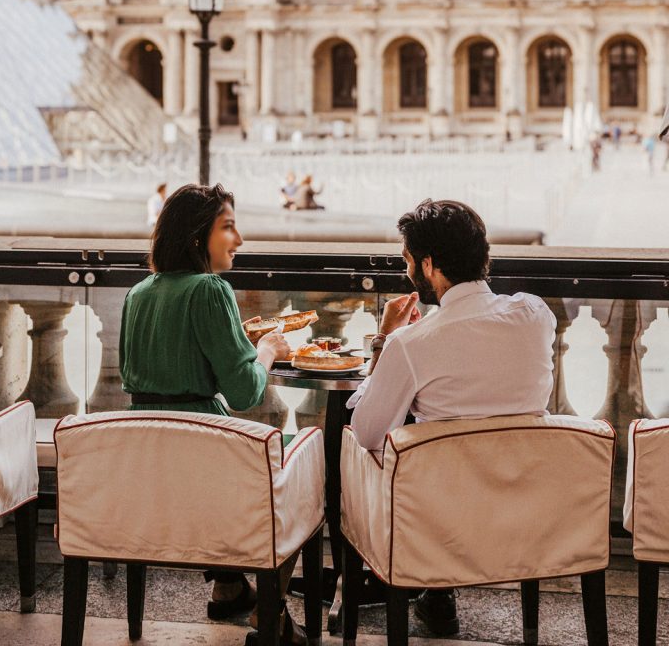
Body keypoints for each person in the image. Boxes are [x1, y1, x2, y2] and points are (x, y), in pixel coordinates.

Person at [348, 199, 556, 637]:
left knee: (373, 444)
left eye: (407, 261)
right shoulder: (536, 315)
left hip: (440, 519)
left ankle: (412, 582)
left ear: (428, 265)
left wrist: (385, 341)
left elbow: (367, 431)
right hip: (529, 508)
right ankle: (437, 596)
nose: (406, 272)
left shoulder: (412, 343)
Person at [119, 184, 304, 644]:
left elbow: (155, 368)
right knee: (294, 469)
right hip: (205, 456)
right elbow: (244, 391)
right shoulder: (210, 289)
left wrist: (234, 338)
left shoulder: (137, 294)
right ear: (198, 236)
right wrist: (266, 350)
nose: (238, 239)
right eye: (228, 227)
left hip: (150, 464)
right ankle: (270, 613)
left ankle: (227, 586)